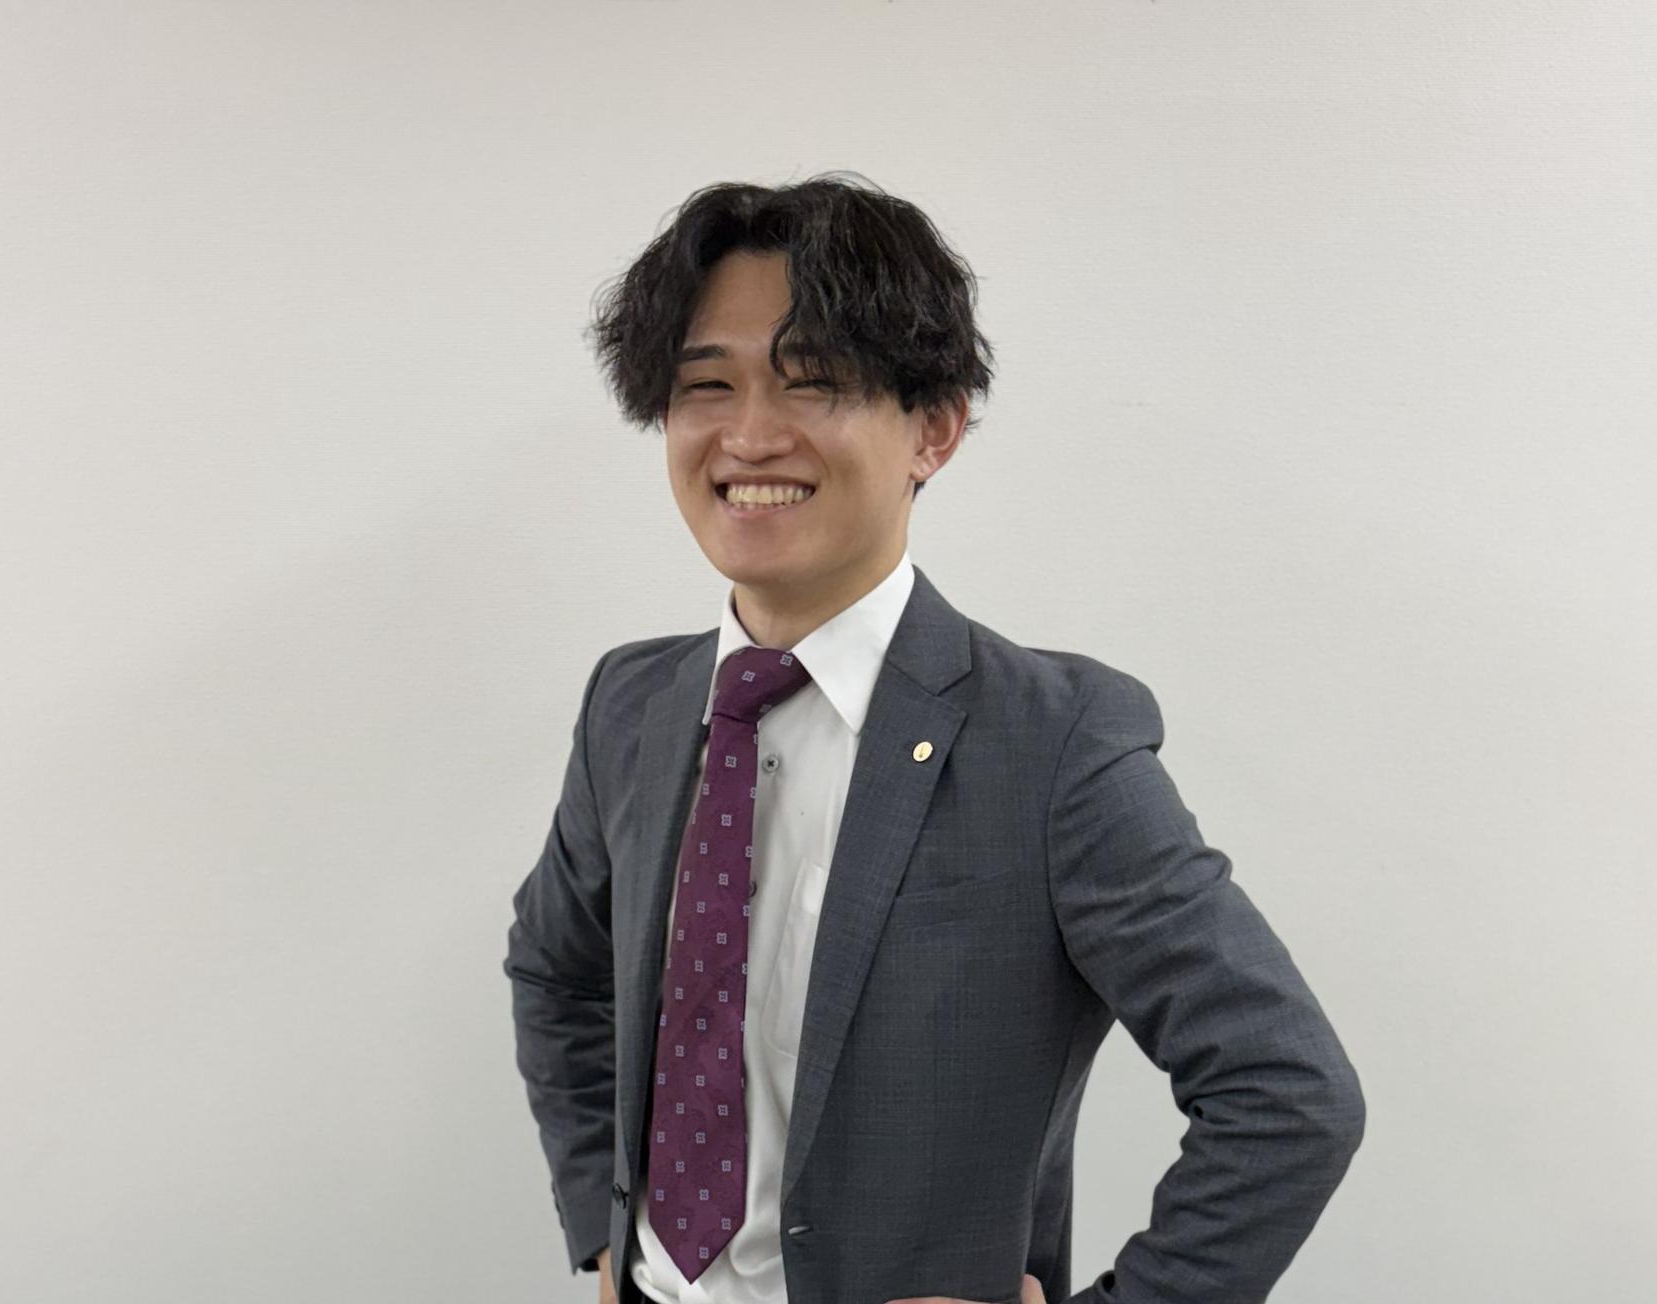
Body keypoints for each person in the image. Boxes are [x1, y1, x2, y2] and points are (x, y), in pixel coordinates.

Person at [505, 171, 1365, 1304]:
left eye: (813, 381)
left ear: (935, 427)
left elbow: (1288, 1092)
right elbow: (556, 970)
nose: (748, 435)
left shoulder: (1053, 744)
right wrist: (604, 1227)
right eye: (705, 384)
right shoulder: (633, 703)